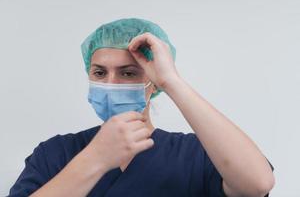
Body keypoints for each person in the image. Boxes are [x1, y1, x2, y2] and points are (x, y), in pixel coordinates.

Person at [9, 18, 275, 197]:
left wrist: (172, 81)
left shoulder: (193, 154)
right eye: (100, 73)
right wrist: (96, 159)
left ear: (153, 83)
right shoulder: (54, 153)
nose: (111, 83)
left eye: (128, 73)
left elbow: (257, 184)